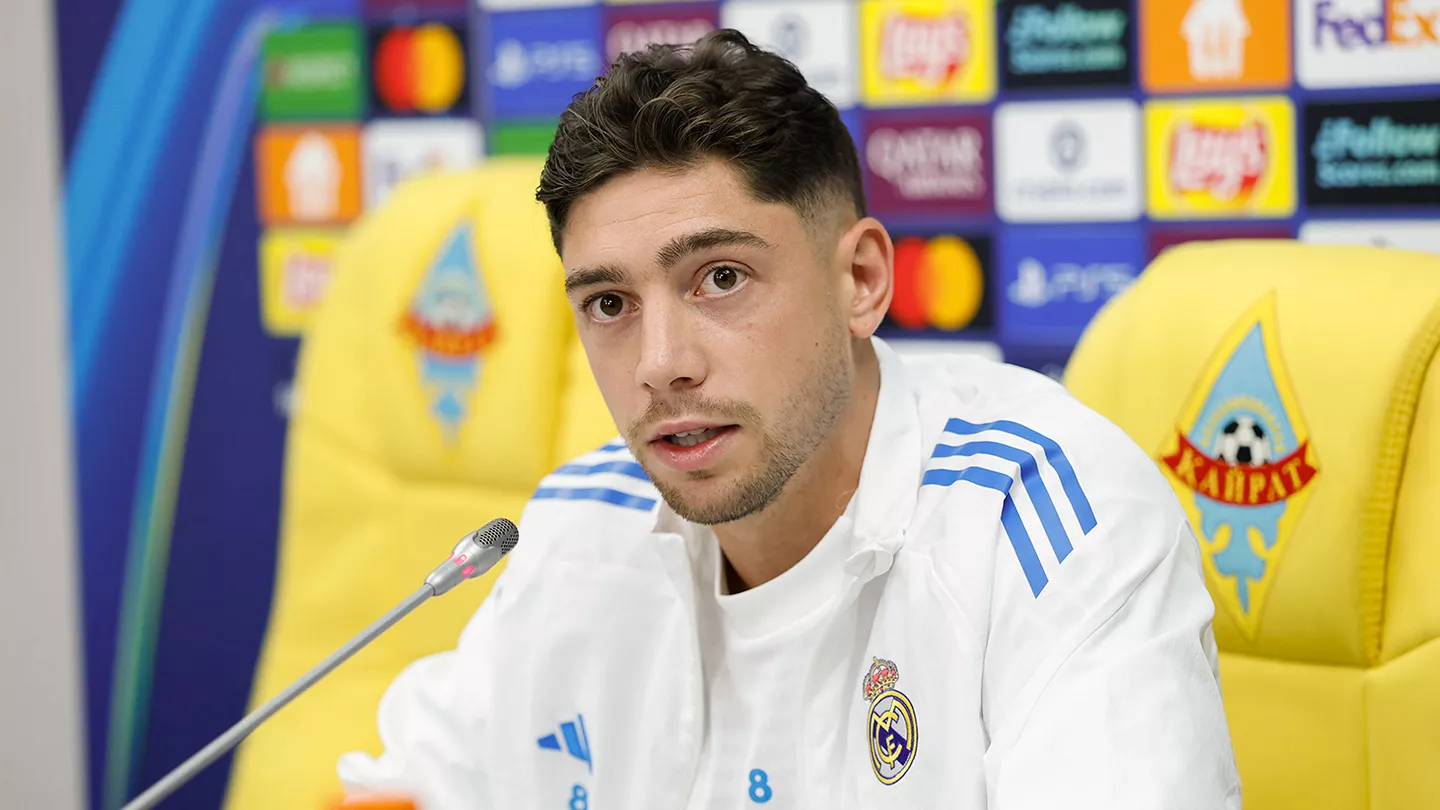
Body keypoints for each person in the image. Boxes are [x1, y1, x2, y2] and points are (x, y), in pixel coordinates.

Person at [339, 29, 1241, 809]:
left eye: (720, 278)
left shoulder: (1044, 528)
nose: (660, 363)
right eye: (610, 304)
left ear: (860, 281)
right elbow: (405, 788)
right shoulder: (578, 529)